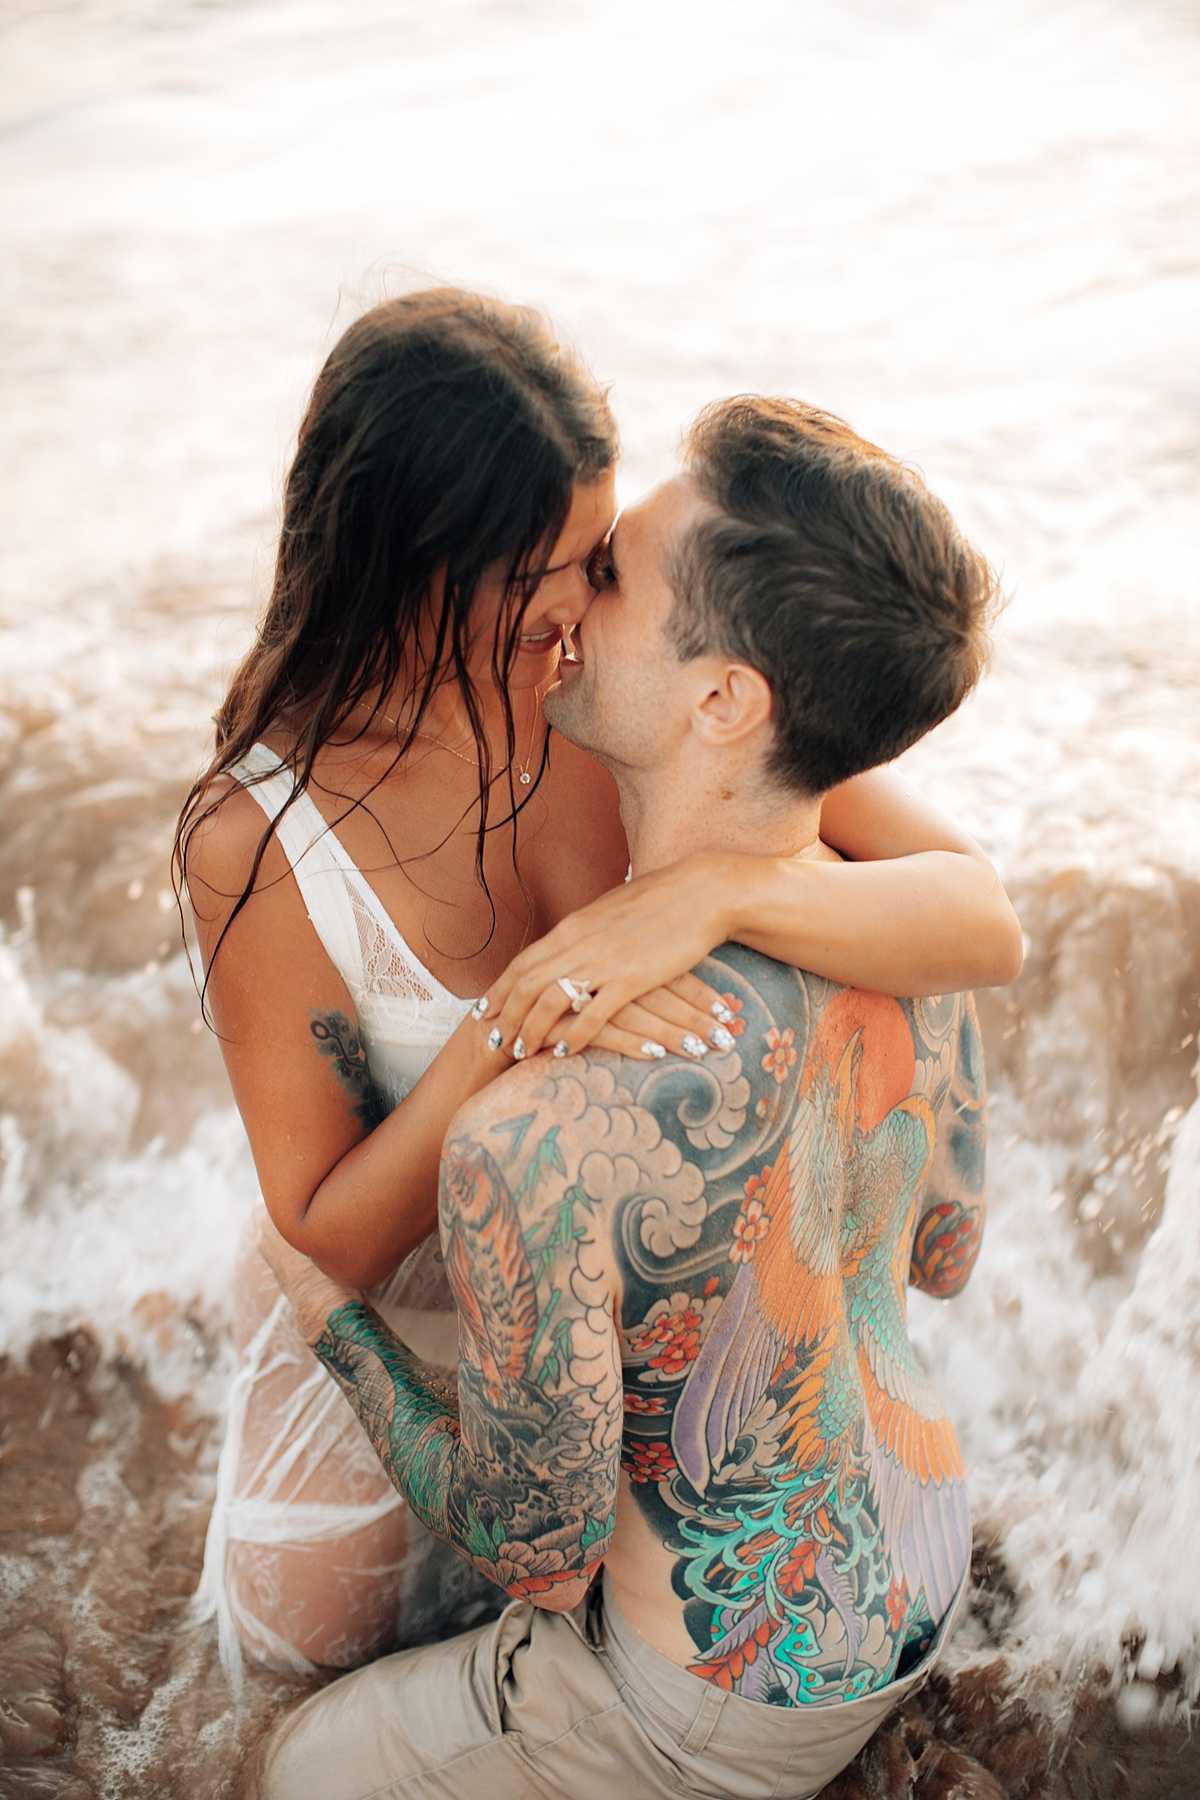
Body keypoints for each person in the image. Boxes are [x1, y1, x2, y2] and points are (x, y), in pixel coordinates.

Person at [180, 288, 1019, 1682]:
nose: (584, 605)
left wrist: (717, 891)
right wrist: (521, 1018)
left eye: (603, 554)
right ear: (420, 569)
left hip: (642, 1354)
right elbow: (331, 1235)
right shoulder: (262, 836)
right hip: (416, 1338)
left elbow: (977, 916)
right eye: (550, 569)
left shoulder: (641, 691)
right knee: (281, 1692)